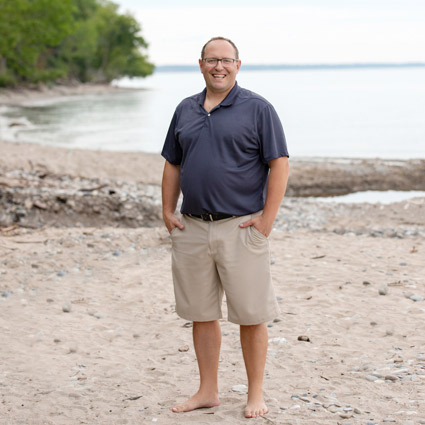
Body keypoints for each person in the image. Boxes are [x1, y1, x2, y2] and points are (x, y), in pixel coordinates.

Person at [161, 36, 289, 419]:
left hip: (241, 229)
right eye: (212, 60)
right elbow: (172, 162)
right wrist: (168, 210)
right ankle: (207, 391)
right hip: (193, 228)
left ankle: (255, 394)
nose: (219, 66)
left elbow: (279, 163)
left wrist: (267, 221)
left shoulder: (258, 109)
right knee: (201, 313)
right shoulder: (185, 109)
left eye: (227, 60)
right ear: (200, 64)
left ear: (238, 64)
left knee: (251, 315)